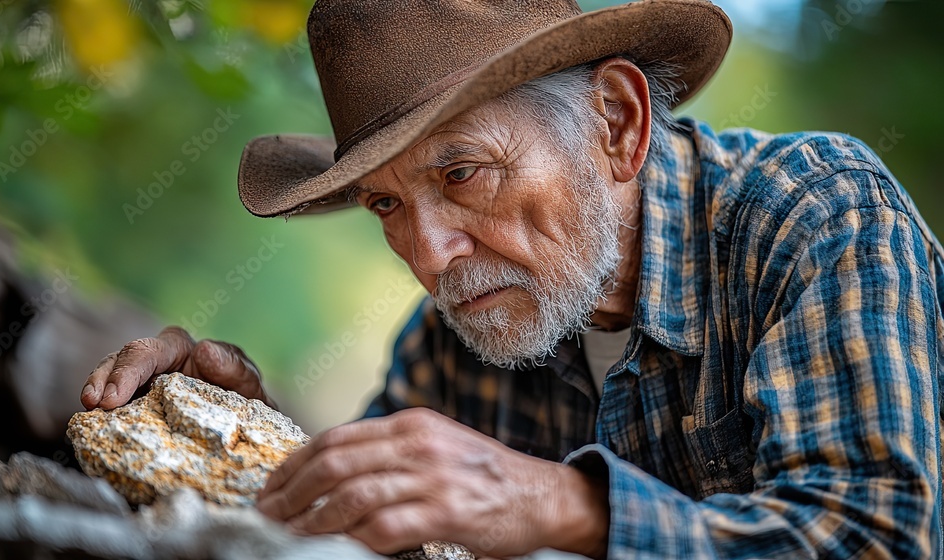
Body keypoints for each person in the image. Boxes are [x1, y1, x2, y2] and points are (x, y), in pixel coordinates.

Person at [79, 0, 944, 557]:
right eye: (384, 205)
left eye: (462, 174)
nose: (429, 257)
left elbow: (879, 537)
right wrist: (241, 429)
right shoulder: (464, 334)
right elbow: (382, 520)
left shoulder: (819, 219)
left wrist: (570, 506)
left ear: (616, 123)